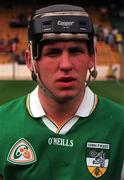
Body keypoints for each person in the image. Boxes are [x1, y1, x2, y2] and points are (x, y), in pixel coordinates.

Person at [0, 4, 124, 180]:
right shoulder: (2, 125)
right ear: (30, 61)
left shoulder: (121, 126)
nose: (66, 65)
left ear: (91, 58)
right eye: (53, 52)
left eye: (75, 51)